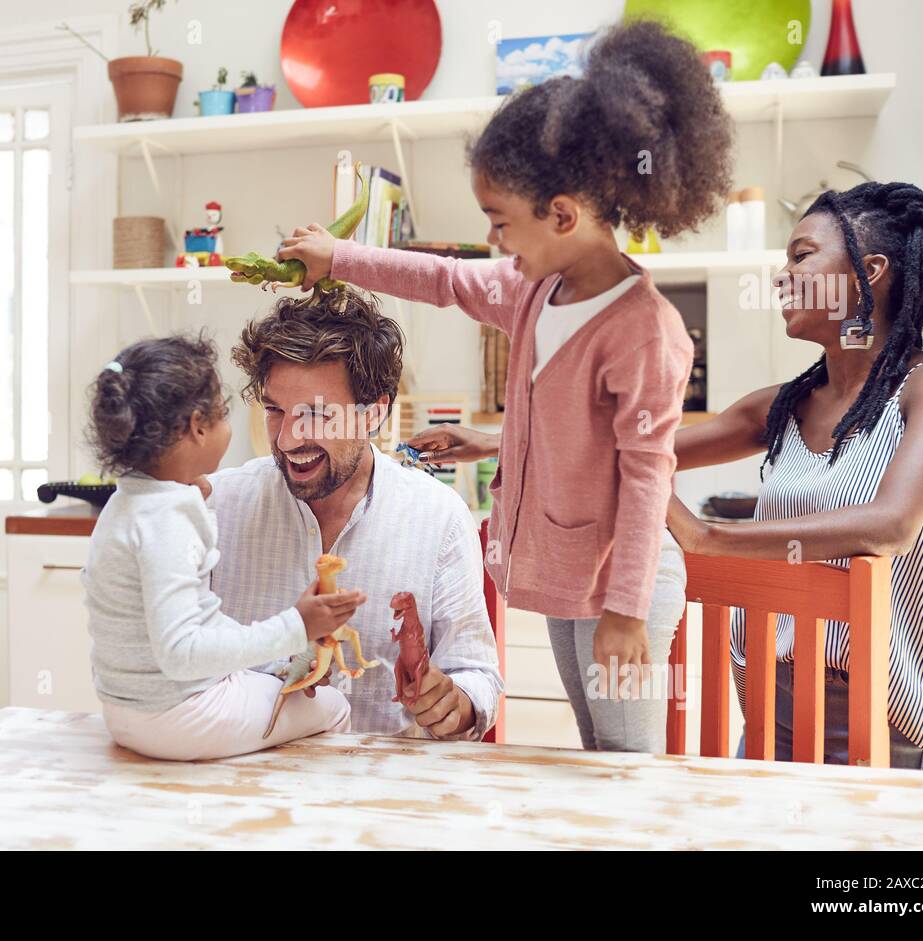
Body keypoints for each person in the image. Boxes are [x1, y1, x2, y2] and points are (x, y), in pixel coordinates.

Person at [274, 20, 734, 752]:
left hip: (628, 584)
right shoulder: (532, 288)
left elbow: (648, 474)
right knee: (594, 749)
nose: (492, 241)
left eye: (499, 221)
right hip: (567, 571)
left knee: (624, 763)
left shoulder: (643, 331)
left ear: (562, 214)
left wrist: (622, 611)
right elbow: (443, 279)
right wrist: (341, 258)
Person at [668, 182, 923, 772]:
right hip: (772, 712)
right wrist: (498, 443)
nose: (780, 276)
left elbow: (889, 525)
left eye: (801, 255)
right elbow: (642, 452)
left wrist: (706, 539)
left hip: (892, 728)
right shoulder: (786, 406)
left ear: (870, 272)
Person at [207, 291, 504, 739]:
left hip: (386, 791)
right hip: (240, 780)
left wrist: (454, 702)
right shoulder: (215, 507)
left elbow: (477, 678)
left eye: (317, 414)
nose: (288, 440)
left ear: (374, 413)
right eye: (275, 410)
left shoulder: (438, 517)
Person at [82, 333, 365, 760]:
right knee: (333, 707)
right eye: (223, 415)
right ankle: (311, 818)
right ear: (198, 426)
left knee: (274, 688)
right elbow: (182, 653)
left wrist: (284, 651)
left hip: (126, 712)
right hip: (181, 717)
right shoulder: (169, 520)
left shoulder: (127, 505)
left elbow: (195, 622)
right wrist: (297, 627)